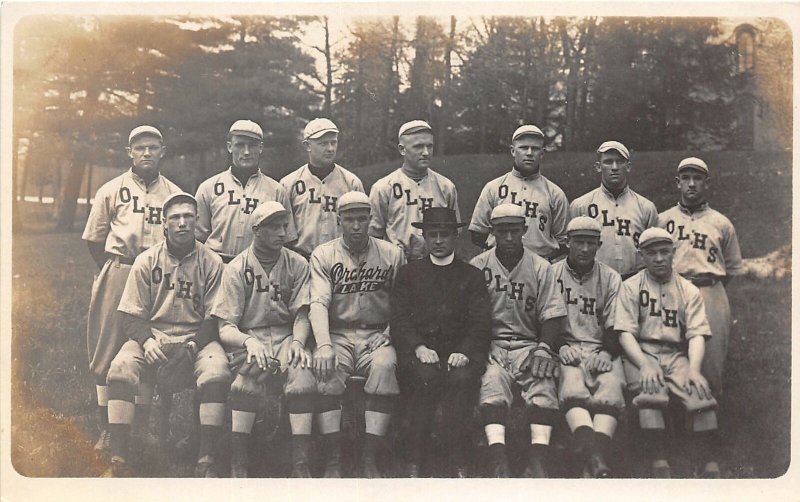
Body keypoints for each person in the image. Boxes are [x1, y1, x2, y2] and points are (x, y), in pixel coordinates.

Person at [104, 192, 230, 477]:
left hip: (197, 337)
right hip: (154, 335)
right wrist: (146, 341)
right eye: (175, 217)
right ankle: (118, 459)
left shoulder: (212, 262)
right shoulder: (146, 260)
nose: (182, 222)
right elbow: (129, 314)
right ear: (164, 223)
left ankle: (206, 458)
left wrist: (192, 346)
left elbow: (215, 317)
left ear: (197, 221)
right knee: (120, 368)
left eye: (188, 216)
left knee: (217, 371)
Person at [82, 125, 181, 453]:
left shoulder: (173, 194)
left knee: (147, 346)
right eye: (140, 148)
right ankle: (108, 428)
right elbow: (94, 239)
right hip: (121, 268)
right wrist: (114, 269)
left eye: (153, 147)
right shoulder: (111, 189)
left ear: (163, 151)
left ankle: (139, 426)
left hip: (157, 276)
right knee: (107, 348)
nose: (147, 153)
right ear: (130, 152)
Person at [211, 201, 318, 478]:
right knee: (245, 383)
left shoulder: (297, 263)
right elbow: (225, 326)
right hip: (250, 337)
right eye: (273, 227)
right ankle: (239, 464)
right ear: (256, 230)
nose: (282, 232)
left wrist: (298, 342)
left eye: (284, 226)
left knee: (303, 377)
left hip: (287, 336)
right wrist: (247, 342)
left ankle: (301, 464)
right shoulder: (236, 268)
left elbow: (302, 313)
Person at [308, 191, 406, 477]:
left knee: (385, 366)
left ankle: (369, 458)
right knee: (326, 370)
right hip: (338, 333)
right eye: (349, 219)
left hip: (376, 334)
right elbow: (318, 302)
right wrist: (324, 345)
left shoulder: (391, 253)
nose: (355, 226)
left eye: (361, 219)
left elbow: (404, 303)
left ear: (370, 220)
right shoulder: (324, 254)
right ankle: (333, 460)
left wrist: (389, 332)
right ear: (339, 220)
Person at [390, 207, 491, 477]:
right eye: (432, 234)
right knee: (424, 378)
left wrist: (465, 352)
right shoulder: (409, 274)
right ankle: (414, 455)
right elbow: (399, 320)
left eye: (444, 234)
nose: (437, 240)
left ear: (455, 236)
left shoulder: (471, 275)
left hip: (460, 353)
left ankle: (459, 456)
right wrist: (418, 347)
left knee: (461, 380)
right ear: (423, 236)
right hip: (421, 352)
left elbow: (480, 322)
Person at [613, 227, 721, 478]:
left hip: (674, 353)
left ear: (673, 253)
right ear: (642, 255)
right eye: (652, 253)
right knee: (651, 393)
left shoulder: (688, 289)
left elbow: (696, 334)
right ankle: (658, 458)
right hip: (641, 351)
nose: (659, 258)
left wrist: (694, 369)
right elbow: (624, 333)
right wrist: (644, 364)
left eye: (664, 252)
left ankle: (707, 459)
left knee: (700, 393)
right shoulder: (630, 287)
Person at [469, 203, 567, 478]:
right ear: (492, 233)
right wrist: (481, 348)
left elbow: (552, 314)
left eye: (514, 231)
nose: (509, 238)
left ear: (524, 230)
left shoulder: (540, 266)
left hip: (528, 343)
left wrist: (545, 348)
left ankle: (538, 458)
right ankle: (498, 458)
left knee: (543, 383)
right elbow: (470, 318)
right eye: (503, 232)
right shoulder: (478, 266)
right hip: (492, 344)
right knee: (491, 384)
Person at [658, 157, 743, 398]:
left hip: (710, 291)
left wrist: (708, 285)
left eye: (698, 179)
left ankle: (708, 414)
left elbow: (731, 268)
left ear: (707, 183)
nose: (692, 184)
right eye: (686, 178)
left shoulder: (721, 223)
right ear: (678, 183)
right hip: (672, 290)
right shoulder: (663, 220)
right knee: (670, 351)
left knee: (710, 356)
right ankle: (674, 412)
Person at [551, 217, 624, 478]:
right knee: (572, 386)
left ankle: (593, 459)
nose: (584, 248)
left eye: (590, 243)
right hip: (566, 346)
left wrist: (607, 351)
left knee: (611, 386)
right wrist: (559, 347)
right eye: (578, 242)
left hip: (600, 346)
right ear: (567, 243)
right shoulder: (551, 273)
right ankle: (596, 460)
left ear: (599, 245)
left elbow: (617, 322)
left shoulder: (611, 277)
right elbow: (542, 319)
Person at [194, 119, 297, 263]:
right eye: (240, 145)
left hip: (260, 264)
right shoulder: (209, 187)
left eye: (253, 146)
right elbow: (198, 237)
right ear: (230, 147)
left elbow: (286, 239)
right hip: (217, 263)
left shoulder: (276, 190)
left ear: (261, 148)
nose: (246, 152)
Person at [469, 125, 569, 261]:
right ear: (513, 151)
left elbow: (563, 240)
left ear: (542, 153)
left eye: (535, 148)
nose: (529, 153)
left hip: (540, 266)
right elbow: (478, 232)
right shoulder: (493, 187)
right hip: (500, 264)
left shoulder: (555, 193)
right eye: (523, 147)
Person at [369, 120, 459, 261]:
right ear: (402, 149)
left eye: (430, 146)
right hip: (396, 263)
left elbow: (455, 231)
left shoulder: (446, 186)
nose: (426, 152)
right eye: (418, 147)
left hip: (435, 263)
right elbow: (374, 234)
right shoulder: (383, 187)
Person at [569, 141, 658, 279]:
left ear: (628, 166)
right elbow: (570, 249)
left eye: (620, 162)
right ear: (598, 167)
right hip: (594, 280)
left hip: (634, 281)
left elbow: (654, 250)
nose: (614, 167)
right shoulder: (581, 205)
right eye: (608, 162)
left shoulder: (646, 207)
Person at [280, 118, 365, 259]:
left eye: (333, 142)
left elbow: (363, 227)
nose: (330, 148)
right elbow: (283, 232)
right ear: (308, 145)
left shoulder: (351, 182)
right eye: (323, 143)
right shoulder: (289, 183)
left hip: (342, 260)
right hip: (302, 259)